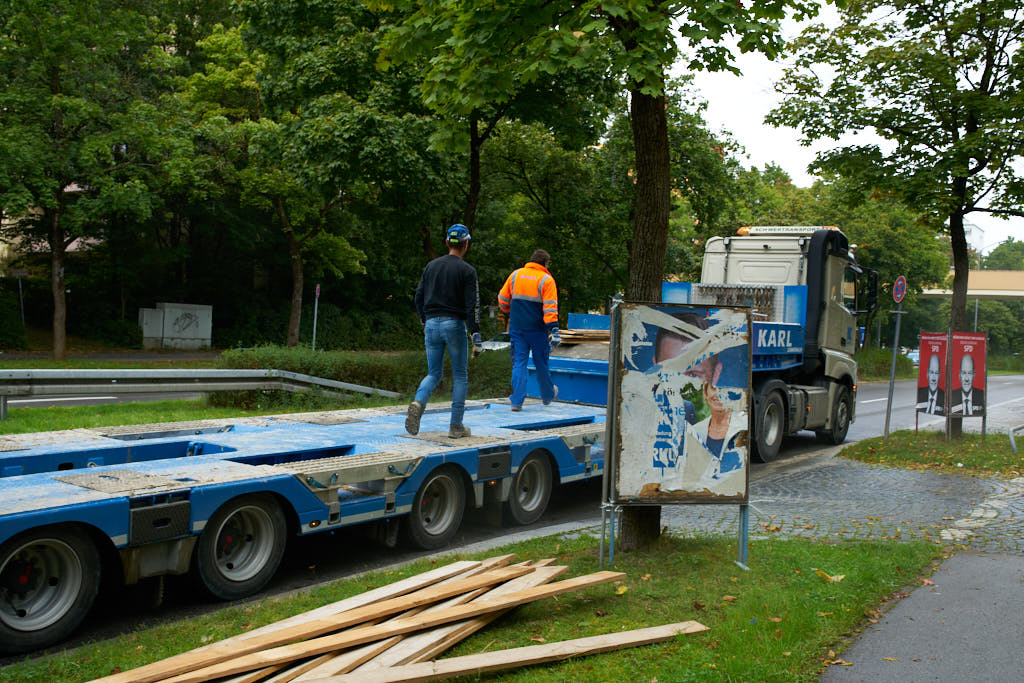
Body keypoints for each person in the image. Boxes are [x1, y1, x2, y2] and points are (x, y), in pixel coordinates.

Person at [406, 224, 483, 438]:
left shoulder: (431, 266)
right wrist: (476, 336)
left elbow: (418, 297)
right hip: (453, 325)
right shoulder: (467, 271)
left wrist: (425, 320)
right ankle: (456, 426)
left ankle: (418, 402)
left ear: (447, 242)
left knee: (433, 373)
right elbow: (472, 305)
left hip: (431, 324)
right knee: (460, 375)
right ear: (466, 244)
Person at [497, 249, 560, 411]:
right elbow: (550, 308)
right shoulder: (547, 280)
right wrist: (553, 329)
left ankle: (517, 402)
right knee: (541, 363)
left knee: (519, 363)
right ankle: (547, 396)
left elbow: (502, 299)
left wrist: (510, 312)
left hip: (517, 328)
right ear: (545, 263)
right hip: (537, 330)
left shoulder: (516, 275)